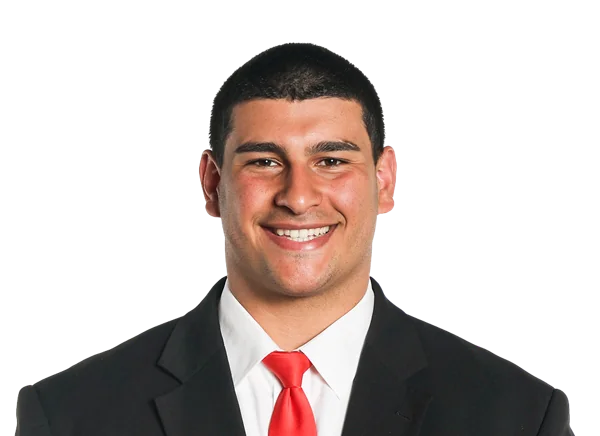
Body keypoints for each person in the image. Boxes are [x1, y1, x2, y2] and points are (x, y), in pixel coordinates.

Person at [17, 42, 570, 436]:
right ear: (211, 185)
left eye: (331, 160)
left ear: (384, 182)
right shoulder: (70, 417)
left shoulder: (514, 415)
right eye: (264, 161)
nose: (298, 197)